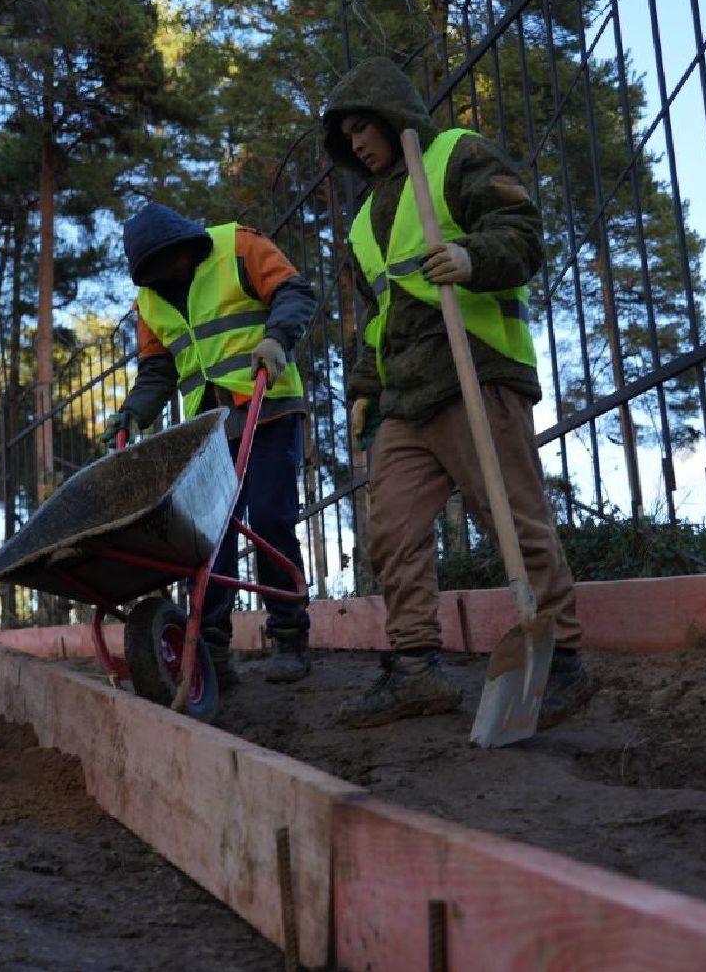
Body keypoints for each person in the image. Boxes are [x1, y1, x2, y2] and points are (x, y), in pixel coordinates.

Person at [320, 57, 587, 729]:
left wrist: (472, 257)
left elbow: (522, 234)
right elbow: (376, 317)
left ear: (391, 115)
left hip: (476, 367)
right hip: (405, 396)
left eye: (362, 127)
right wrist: (363, 388)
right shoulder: (359, 223)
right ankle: (414, 668)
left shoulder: (455, 155)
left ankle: (562, 662)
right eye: (346, 134)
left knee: (513, 518)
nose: (355, 143)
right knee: (392, 533)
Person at [103, 203, 319, 687]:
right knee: (208, 537)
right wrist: (133, 412)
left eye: (169, 266)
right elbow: (157, 371)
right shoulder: (149, 302)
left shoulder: (238, 245)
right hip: (211, 427)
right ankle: (211, 647)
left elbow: (294, 292)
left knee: (271, 518)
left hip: (268, 405)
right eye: (152, 275)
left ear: (184, 247)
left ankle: (289, 635)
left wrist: (277, 339)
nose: (165, 278)